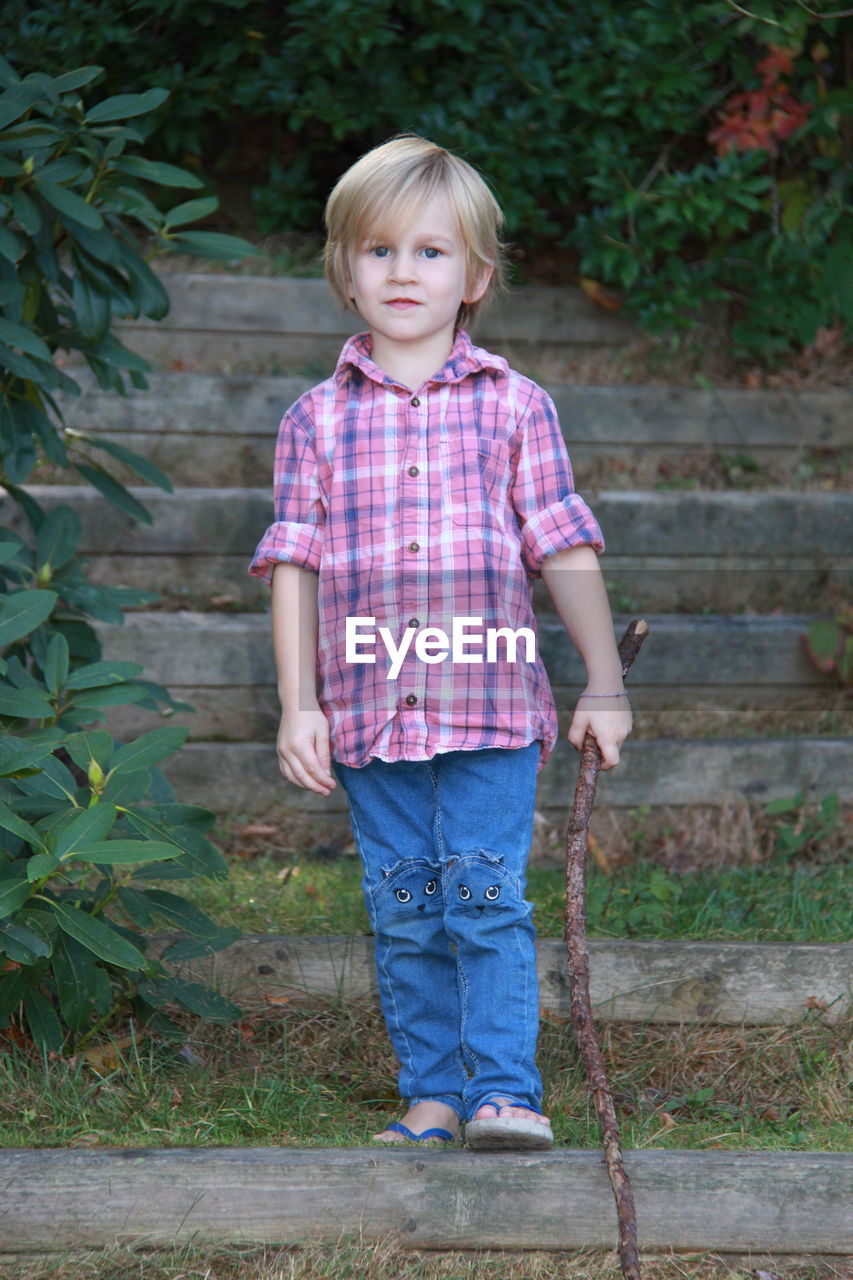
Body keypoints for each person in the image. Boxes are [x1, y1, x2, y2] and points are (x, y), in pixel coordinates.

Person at [249, 135, 632, 1151]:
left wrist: (602, 683)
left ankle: (503, 1087)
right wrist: (299, 702)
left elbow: (560, 538)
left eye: (429, 252)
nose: (402, 272)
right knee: (407, 901)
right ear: (343, 270)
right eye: (377, 250)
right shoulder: (316, 420)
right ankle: (429, 1090)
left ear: (476, 277)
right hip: (372, 706)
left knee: (484, 891)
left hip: (489, 704)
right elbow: (295, 560)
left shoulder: (513, 406)